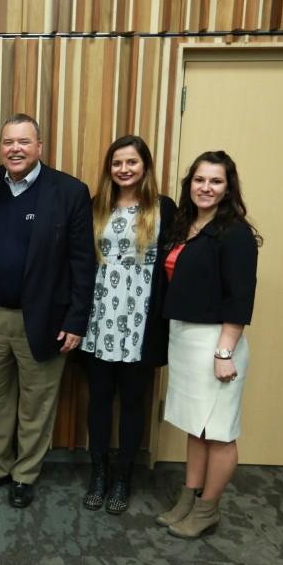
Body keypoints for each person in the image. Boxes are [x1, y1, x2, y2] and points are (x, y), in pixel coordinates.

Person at [0, 113, 95, 508]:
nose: (15, 149)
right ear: (0, 146)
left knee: (37, 401)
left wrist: (76, 319)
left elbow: (82, 262)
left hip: (42, 318)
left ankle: (25, 475)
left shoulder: (69, 192)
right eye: (8, 142)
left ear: (40, 146)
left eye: (24, 141)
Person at [155, 150, 260, 538]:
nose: (206, 187)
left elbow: (240, 297)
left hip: (216, 342)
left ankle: (207, 509)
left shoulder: (235, 234)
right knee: (195, 426)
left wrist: (224, 352)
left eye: (216, 181)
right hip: (184, 337)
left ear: (228, 188)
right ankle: (188, 498)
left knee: (218, 431)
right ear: (190, 184)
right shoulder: (186, 225)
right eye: (200, 180)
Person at [79, 135, 176, 514]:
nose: (124, 169)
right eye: (117, 163)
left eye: (131, 162)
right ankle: (98, 474)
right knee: (99, 402)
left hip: (142, 323)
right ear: (110, 168)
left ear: (145, 166)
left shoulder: (163, 208)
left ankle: (123, 477)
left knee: (134, 404)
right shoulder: (95, 207)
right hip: (99, 319)